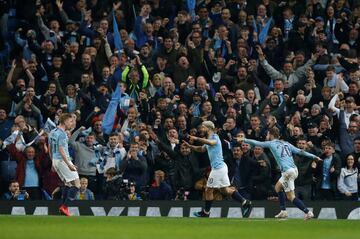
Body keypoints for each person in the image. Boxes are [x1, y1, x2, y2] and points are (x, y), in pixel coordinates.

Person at [237, 127, 322, 220]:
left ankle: (308, 212)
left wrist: (244, 139)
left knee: (291, 197)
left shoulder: (271, 143)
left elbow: (257, 143)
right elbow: (300, 151)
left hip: (287, 172)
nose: (267, 136)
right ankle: (283, 211)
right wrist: (314, 156)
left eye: (268, 134)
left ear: (271, 135)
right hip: (294, 170)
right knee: (278, 187)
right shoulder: (286, 143)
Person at [183, 121, 252, 218]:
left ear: (208, 128)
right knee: (225, 190)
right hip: (221, 167)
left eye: (202, 127)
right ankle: (245, 202)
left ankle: (206, 213)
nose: (201, 129)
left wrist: (196, 138)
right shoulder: (209, 138)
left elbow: (211, 143)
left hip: (218, 168)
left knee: (208, 189)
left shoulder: (215, 137)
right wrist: (190, 146)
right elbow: (201, 149)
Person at [48, 113, 80, 216]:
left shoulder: (52, 132)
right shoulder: (62, 134)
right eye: (70, 121)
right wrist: (69, 164)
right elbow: (61, 150)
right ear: (65, 121)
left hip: (56, 161)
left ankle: (62, 208)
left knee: (68, 184)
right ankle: (65, 207)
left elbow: (50, 148)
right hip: (63, 160)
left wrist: (52, 161)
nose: (72, 124)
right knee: (77, 184)